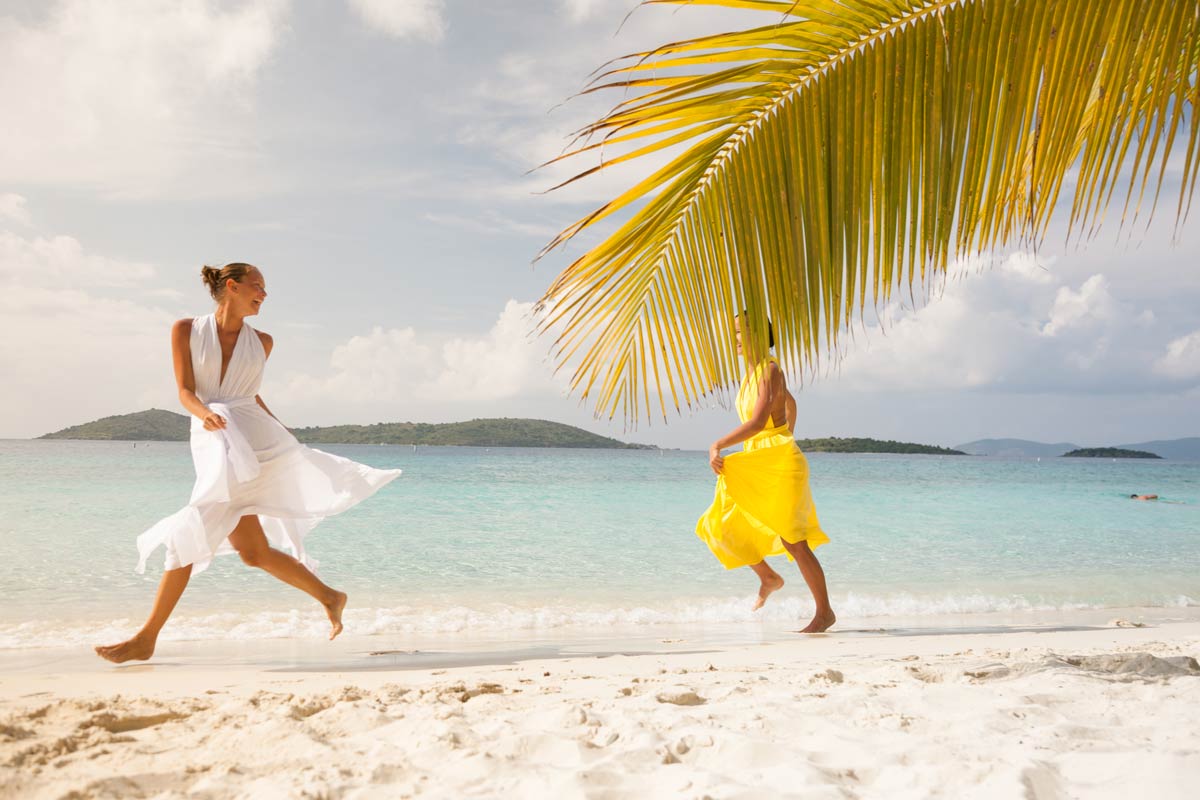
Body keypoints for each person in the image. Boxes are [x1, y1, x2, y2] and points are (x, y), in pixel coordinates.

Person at [95, 263, 402, 663]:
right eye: (257, 286)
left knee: (189, 532)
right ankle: (330, 596)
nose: (264, 294)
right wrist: (203, 414)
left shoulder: (264, 342)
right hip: (213, 438)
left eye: (265, 288)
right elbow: (185, 391)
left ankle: (147, 638)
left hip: (255, 440)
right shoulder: (185, 329)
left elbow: (250, 398)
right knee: (253, 552)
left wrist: (287, 437)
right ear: (232, 287)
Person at [696, 315, 835, 633]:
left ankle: (824, 613)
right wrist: (784, 435)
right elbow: (791, 404)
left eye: (741, 333)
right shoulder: (756, 372)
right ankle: (768, 577)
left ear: (758, 334)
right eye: (734, 334)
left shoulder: (771, 369)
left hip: (778, 463)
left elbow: (758, 423)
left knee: (794, 541)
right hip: (763, 459)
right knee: (718, 523)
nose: (736, 340)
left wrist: (718, 443)